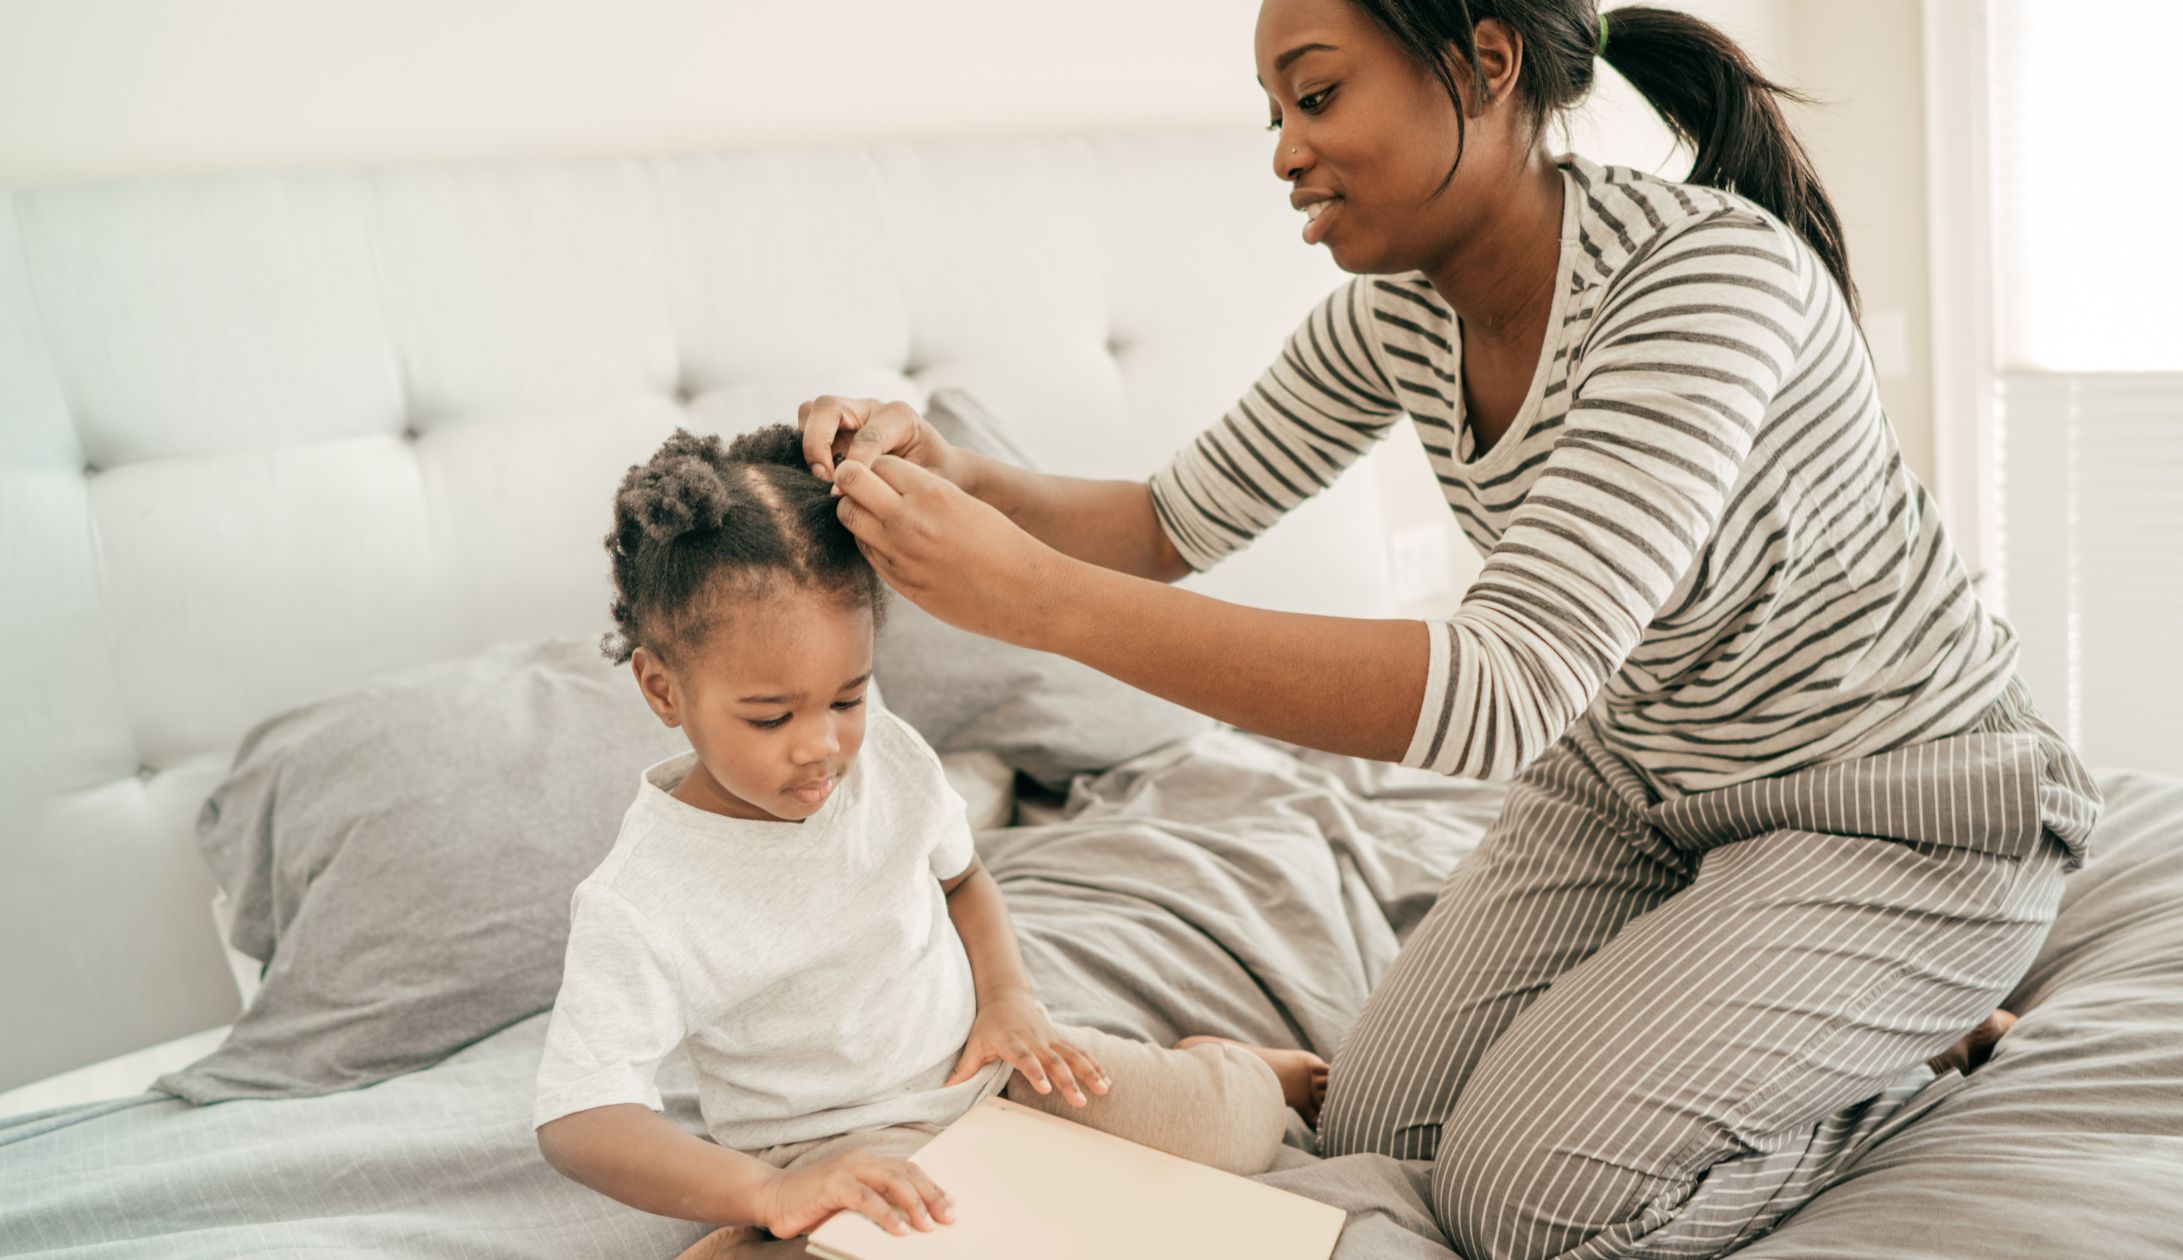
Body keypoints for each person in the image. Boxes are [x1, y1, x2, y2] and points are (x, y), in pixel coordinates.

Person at [794, 3, 2100, 1258]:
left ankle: (1903, 1055)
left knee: (1526, 1206)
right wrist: (959, 479)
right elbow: (1162, 521)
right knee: (1380, 1121)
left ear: (1482, 63)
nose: (1284, 149)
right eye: (1273, 114)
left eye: (1315, 96)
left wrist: (1040, 603)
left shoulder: (1706, 279)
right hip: (1639, 781)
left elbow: (1502, 693)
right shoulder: (1398, 317)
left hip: (1897, 806)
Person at [530, 428, 1322, 1250]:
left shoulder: (887, 758)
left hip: (990, 1071)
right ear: (663, 687)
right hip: (837, 1155)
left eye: (847, 698)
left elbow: (963, 877)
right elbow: (579, 1118)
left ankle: (1245, 1069)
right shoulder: (642, 900)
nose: (823, 747)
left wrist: (1011, 1001)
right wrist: (770, 1191)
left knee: (1233, 1135)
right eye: (772, 717)